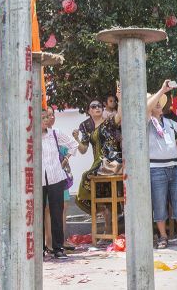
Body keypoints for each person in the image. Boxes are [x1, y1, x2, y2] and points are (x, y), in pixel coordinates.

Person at [146, 80, 177, 249]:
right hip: (156, 168)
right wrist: (161, 90)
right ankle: (163, 236)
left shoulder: (167, 121)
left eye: (160, 102)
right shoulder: (145, 121)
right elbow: (146, 109)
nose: (159, 105)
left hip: (174, 167)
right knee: (159, 203)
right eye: (156, 103)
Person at [73, 88, 122, 219]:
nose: (97, 108)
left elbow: (120, 115)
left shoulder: (109, 122)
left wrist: (119, 98)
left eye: (99, 106)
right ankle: (106, 229)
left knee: (86, 175)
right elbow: (83, 150)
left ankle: (112, 228)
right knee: (104, 199)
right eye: (93, 106)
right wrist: (76, 139)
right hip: (99, 166)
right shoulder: (88, 130)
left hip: (111, 162)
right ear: (89, 111)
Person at [41, 108, 80, 259]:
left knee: (57, 213)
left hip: (56, 177)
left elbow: (73, 145)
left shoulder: (55, 133)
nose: (45, 119)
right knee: (38, 214)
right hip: (38, 180)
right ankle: (41, 247)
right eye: (42, 117)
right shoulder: (29, 137)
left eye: (47, 117)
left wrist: (66, 159)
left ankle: (58, 248)